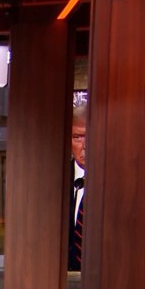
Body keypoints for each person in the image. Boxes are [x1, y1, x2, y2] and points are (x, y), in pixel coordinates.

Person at [68, 104, 87, 272]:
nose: (85, 145)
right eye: (77, 137)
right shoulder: (57, 178)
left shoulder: (119, 181)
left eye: (90, 136)